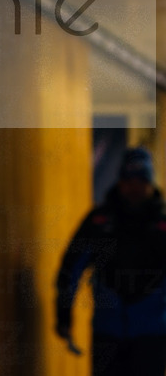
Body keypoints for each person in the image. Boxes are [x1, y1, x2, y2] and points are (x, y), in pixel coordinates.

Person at [56, 146, 166, 376]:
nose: (134, 187)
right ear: (121, 181)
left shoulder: (161, 224)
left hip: (151, 333)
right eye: (129, 180)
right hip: (108, 331)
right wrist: (64, 315)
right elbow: (70, 268)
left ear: (149, 183)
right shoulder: (100, 222)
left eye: (141, 180)